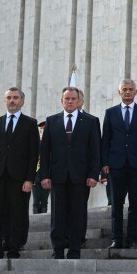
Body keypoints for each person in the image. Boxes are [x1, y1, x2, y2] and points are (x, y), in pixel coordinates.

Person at [39, 87, 101, 259]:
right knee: (57, 215)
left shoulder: (90, 121)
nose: (70, 101)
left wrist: (93, 174)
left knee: (77, 214)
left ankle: (75, 250)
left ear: (80, 101)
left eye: (74, 98)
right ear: (62, 101)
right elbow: (45, 152)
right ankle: (57, 250)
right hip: (57, 177)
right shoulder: (51, 121)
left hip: (81, 177)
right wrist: (44, 175)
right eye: (67, 98)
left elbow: (95, 151)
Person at [0, 87, 39, 259]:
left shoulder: (30, 123)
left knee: (17, 213)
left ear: (22, 101)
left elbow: (33, 154)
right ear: (5, 100)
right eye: (9, 98)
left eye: (15, 98)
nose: (12, 101)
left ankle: (14, 247)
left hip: (19, 178)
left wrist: (30, 179)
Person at [101, 79, 137, 249]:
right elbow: (106, 140)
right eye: (124, 89)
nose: (128, 92)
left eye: (131, 89)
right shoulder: (110, 113)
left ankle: (132, 238)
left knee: (135, 203)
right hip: (116, 165)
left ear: (136, 92)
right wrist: (105, 163)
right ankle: (116, 238)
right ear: (119, 92)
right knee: (116, 204)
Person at [32, 121, 49, 214]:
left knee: (44, 201)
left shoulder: (50, 143)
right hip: (36, 175)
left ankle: (43, 219)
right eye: (41, 129)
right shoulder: (35, 143)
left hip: (47, 175)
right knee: (36, 201)